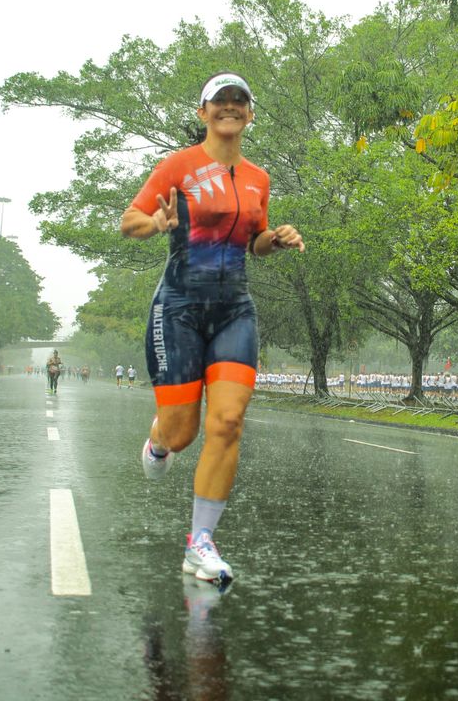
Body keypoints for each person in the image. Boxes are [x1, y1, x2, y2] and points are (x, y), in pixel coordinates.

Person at [120, 72, 304, 586]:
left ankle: (199, 545)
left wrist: (277, 237)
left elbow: (255, 242)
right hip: (177, 307)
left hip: (234, 311)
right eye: (219, 101)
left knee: (227, 423)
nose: (229, 107)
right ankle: (159, 441)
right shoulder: (178, 166)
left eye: (238, 100)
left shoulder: (258, 178)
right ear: (203, 113)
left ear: (249, 113)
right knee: (183, 434)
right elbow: (128, 220)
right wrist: (156, 223)